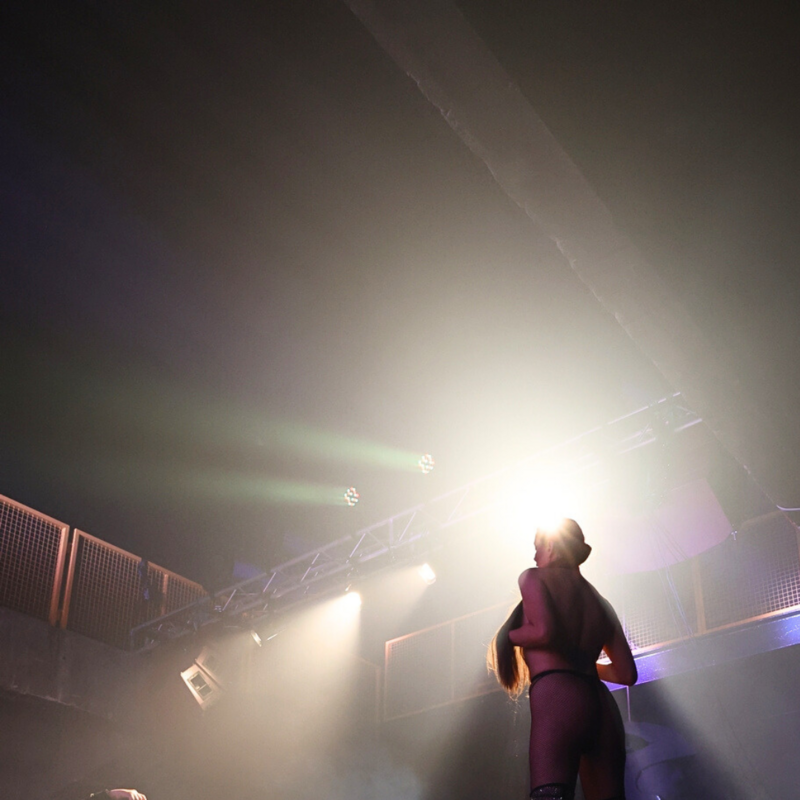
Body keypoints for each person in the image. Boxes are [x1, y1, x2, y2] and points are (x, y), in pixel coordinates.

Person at [488, 519, 637, 800]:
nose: (534, 556)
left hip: (559, 698)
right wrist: (582, 663)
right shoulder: (601, 602)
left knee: (551, 796)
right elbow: (627, 674)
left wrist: (509, 636)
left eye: (537, 548)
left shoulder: (533, 578)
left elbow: (544, 631)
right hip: (601, 705)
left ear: (551, 546)